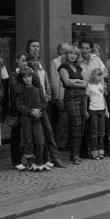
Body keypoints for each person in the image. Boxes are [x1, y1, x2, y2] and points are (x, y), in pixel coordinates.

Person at [26, 39, 66, 168]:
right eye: (33, 46)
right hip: (32, 107)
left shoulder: (42, 65)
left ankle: (54, 157)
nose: (36, 49)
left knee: (48, 131)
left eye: (38, 46)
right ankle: (39, 159)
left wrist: (47, 97)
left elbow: (46, 82)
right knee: (35, 135)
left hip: (43, 104)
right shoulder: (27, 69)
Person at [15, 67, 49, 171]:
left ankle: (39, 163)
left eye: (29, 76)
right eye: (24, 77)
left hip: (37, 117)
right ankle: (30, 162)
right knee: (28, 140)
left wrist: (39, 110)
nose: (27, 79)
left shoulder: (37, 89)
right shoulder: (21, 91)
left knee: (39, 141)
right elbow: (19, 106)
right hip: (26, 118)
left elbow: (44, 101)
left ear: (32, 77)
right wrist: (30, 111)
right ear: (21, 79)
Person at [59, 45, 88, 165]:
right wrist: (79, 82)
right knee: (76, 124)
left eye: (75, 54)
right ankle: (74, 154)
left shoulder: (79, 68)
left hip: (81, 97)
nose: (72, 56)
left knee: (82, 124)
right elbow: (67, 82)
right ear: (66, 54)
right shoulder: (63, 67)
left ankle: (75, 152)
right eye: (70, 53)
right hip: (71, 97)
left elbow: (86, 82)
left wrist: (76, 81)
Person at [49, 42, 69, 151]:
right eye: (64, 50)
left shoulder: (69, 61)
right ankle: (60, 143)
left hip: (69, 94)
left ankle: (66, 142)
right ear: (59, 51)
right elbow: (54, 81)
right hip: (61, 95)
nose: (66, 53)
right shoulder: (55, 62)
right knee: (62, 120)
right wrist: (57, 97)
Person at [86, 68, 108, 159]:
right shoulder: (89, 86)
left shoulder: (100, 85)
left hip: (101, 109)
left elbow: (103, 97)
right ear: (93, 76)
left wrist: (106, 109)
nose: (100, 77)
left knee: (101, 132)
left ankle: (101, 149)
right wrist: (85, 110)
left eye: (100, 75)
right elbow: (85, 98)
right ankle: (94, 150)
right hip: (93, 110)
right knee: (94, 131)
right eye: (98, 75)